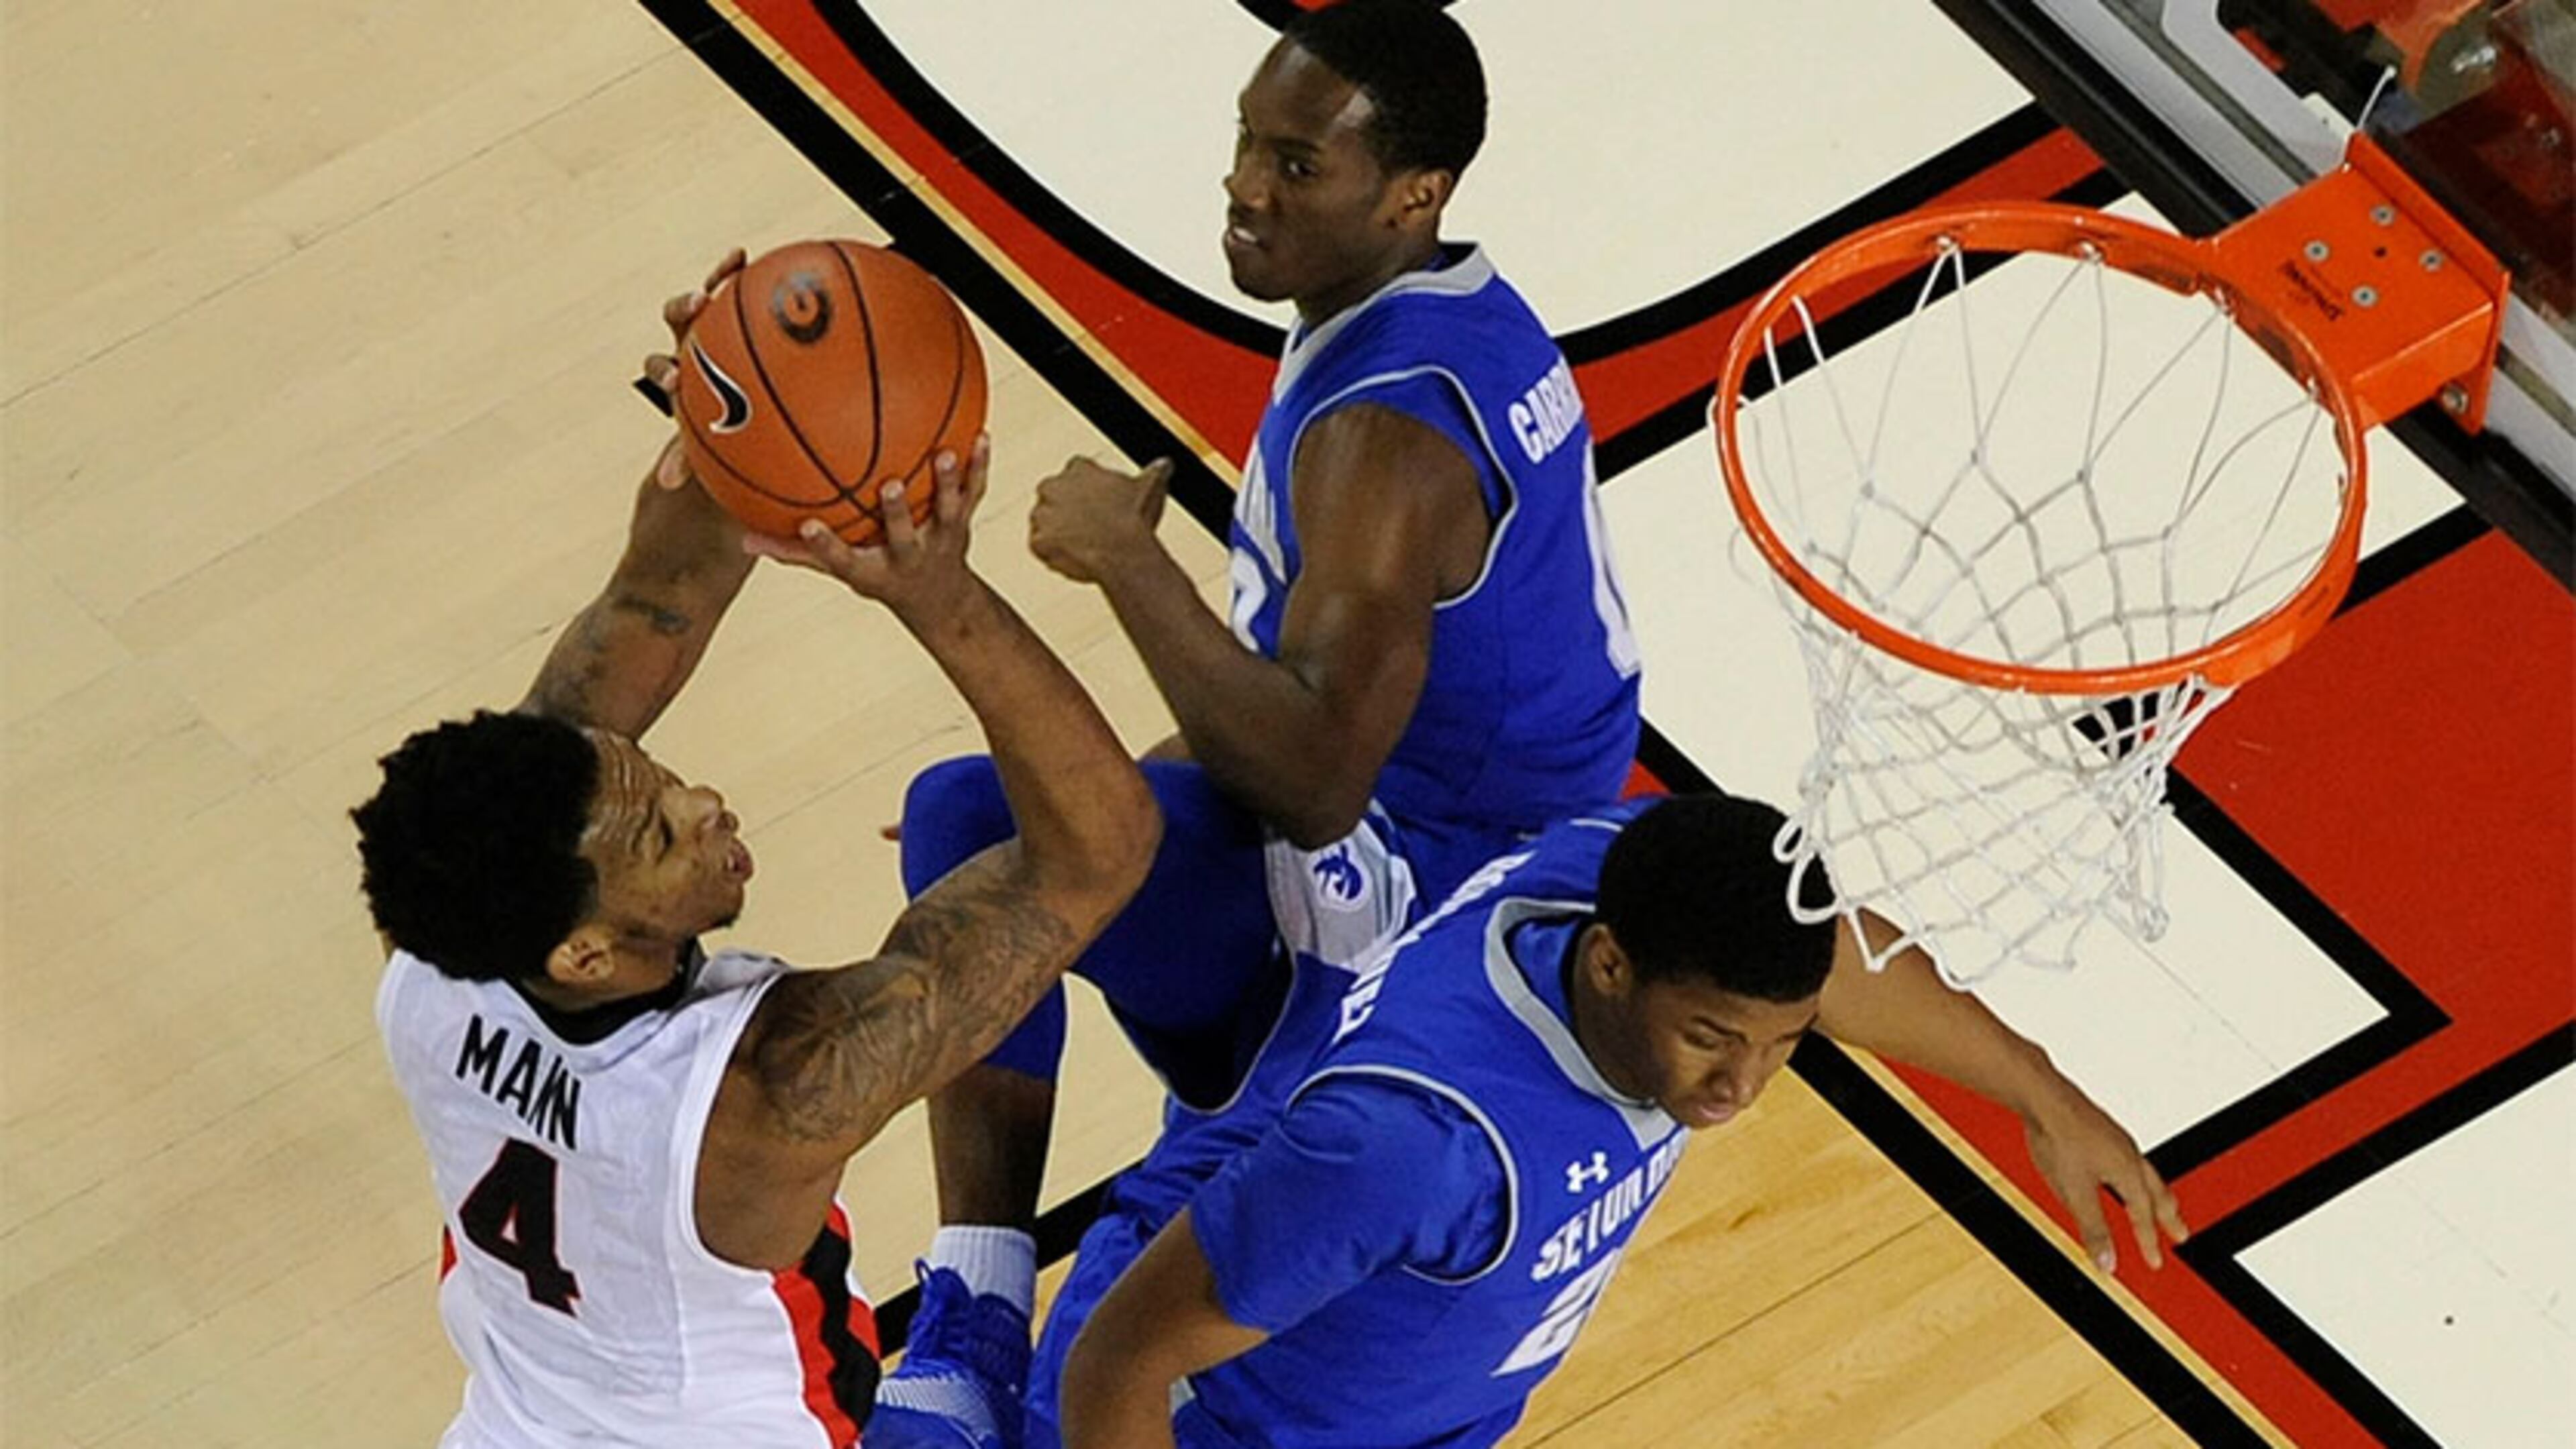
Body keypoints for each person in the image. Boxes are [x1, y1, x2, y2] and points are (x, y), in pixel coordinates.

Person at [874, 4, 1641, 1443]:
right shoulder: (1443, 313)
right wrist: (1104, 781)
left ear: (1415, 194)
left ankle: (1078, 1309)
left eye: (1297, 164)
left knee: (1117, 1346)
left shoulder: (1385, 436)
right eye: (1248, 141)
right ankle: (977, 1296)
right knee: (979, 822)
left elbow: (1318, 781)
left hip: (1422, 907)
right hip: (1412, 822)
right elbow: (1340, 715)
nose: (1244, 186)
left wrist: (1131, 562)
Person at [356, 254, 1160, 1449]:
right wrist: (935, 592)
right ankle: (976, 1344)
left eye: (659, 778)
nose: (705, 803)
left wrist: (735, 432)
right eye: (660, 834)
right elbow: (1097, 852)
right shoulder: (773, 1087)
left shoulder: (442, 943)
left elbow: (648, 603)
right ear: (585, 955)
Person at [1055, 794, 2192, 1449]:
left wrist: (2043, 1093)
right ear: (1609, 965)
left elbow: (1827, 959)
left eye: (1782, 1046)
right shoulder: (1418, 1149)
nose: (1741, 1086)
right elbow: (1117, 1366)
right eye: (1712, 1038)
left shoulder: (1623, 877)